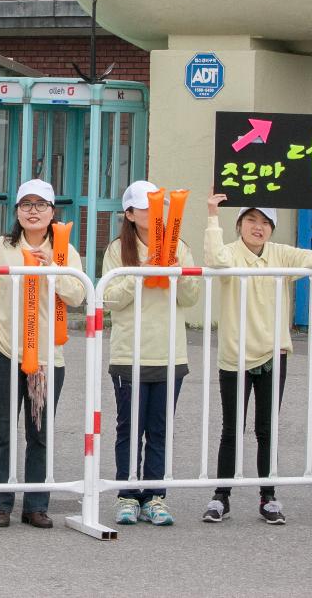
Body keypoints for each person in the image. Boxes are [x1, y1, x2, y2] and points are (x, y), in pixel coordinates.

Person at [201, 191, 312, 526]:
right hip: (235, 355)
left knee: (267, 429)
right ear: (239, 224)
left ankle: (268, 496)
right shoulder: (230, 253)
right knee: (231, 429)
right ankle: (221, 496)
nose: (258, 227)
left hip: (273, 353)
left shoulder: (281, 254)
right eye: (251, 220)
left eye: (265, 222)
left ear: (273, 228)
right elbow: (215, 259)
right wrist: (211, 215)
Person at [0, 179, 85, 528]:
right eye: (26, 205)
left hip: (47, 360)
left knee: (40, 433)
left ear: (53, 212)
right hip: (5, 352)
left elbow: (78, 295)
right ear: (17, 212)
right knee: (1, 429)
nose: (33, 211)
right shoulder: (1, 247)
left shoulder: (65, 251)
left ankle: (36, 503)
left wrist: (54, 267)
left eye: (40, 205)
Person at [102, 180, 201, 527]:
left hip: (170, 354)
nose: (152, 213)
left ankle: (155, 495)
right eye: (144, 207)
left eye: (156, 207)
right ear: (129, 214)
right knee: (130, 427)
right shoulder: (118, 250)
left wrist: (175, 269)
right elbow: (110, 299)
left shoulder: (179, 247)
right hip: (130, 353)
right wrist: (141, 273)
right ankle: (127, 494)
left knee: (160, 429)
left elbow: (191, 298)